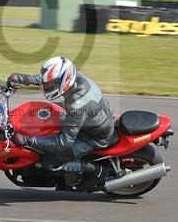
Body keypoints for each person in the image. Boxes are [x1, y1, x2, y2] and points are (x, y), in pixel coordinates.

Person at [7, 56, 115, 190]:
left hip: (93, 137)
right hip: (93, 118)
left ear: (64, 81)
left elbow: (64, 142)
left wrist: (27, 140)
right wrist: (21, 78)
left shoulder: (77, 104)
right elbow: (47, 78)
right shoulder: (74, 78)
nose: (46, 86)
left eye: (50, 85)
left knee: (49, 161)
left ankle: (97, 170)